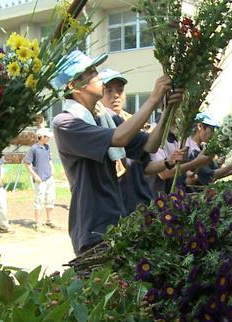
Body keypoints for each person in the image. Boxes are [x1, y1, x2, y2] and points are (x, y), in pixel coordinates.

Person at [51, 50, 183, 255]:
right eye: (92, 73)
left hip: (116, 219)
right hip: (92, 227)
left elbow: (150, 145)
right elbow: (119, 138)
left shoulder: (106, 118)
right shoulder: (66, 123)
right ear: (73, 86)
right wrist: (154, 98)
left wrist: (167, 110)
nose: (99, 77)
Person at [99, 68, 185, 212]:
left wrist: (168, 162)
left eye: (120, 90)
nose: (115, 95)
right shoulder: (101, 122)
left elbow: (145, 163)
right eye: (108, 90)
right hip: (121, 204)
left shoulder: (129, 122)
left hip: (142, 201)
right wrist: (154, 98)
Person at [184, 112, 232, 188]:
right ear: (200, 126)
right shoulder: (190, 150)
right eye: (212, 130)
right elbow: (210, 175)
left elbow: (215, 173)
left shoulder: (202, 148)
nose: (213, 134)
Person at [23, 128, 56, 227]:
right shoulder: (33, 149)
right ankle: (38, 222)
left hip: (49, 177)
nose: (48, 138)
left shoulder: (47, 147)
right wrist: (35, 176)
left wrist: (52, 168)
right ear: (41, 137)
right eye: (46, 137)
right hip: (40, 179)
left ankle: (49, 220)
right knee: (39, 200)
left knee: (50, 199)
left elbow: (49, 159)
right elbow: (27, 163)